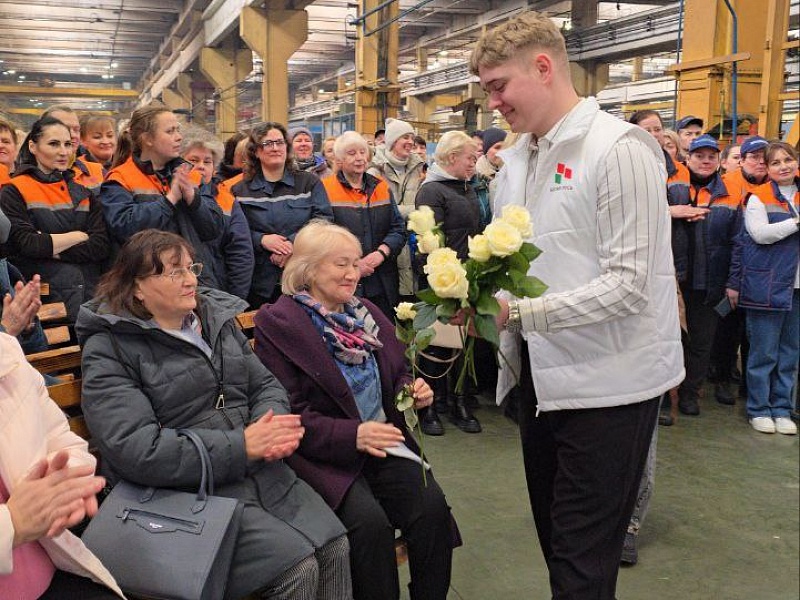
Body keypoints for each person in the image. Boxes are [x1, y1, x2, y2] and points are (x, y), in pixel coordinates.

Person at [470, 12, 684, 599]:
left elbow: (629, 285)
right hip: (541, 377)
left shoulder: (620, 150)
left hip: (610, 386)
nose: (493, 104)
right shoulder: (514, 163)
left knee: (583, 561)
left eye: (498, 87)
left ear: (543, 67)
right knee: (559, 545)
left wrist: (519, 315)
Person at [77, 229, 353, 600]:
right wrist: (243, 446)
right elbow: (137, 449)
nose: (191, 279)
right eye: (174, 271)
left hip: (256, 469)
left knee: (336, 546)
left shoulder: (214, 321)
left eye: (191, 267)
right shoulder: (110, 346)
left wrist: (265, 429)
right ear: (137, 287)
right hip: (185, 492)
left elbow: (266, 386)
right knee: (295, 570)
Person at [254, 220, 457, 600]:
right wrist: (354, 434)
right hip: (323, 455)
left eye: (354, 264)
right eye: (340, 264)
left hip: (380, 443)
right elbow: (286, 411)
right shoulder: (278, 322)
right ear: (309, 269)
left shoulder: (365, 313)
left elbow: (394, 374)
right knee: (370, 527)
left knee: (431, 509)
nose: (352, 274)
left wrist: (410, 391)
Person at [0, 331, 124, 599]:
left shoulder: (6, 355)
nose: (191, 285)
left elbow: (61, 440)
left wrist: (66, 483)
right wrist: (11, 525)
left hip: (50, 567)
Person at [0, 116, 111, 321]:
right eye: (53, 144)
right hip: (45, 303)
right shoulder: (13, 191)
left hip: (91, 298)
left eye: (68, 144)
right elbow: (28, 244)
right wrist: (79, 235)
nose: (63, 152)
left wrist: (51, 246)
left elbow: (100, 245)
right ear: (33, 146)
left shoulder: (84, 193)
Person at [100, 105, 224, 275]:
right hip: (145, 279)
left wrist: (193, 199)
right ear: (147, 139)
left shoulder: (190, 174)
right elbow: (125, 229)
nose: (179, 137)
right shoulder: (120, 178)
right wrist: (170, 199)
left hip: (193, 275)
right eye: (170, 131)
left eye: (178, 130)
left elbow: (214, 229)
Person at [728, 142, 799, 435]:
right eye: (775, 162)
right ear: (767, 169)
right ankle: (759, 408)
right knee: (764, 353)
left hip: (797, 289)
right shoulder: (758, 198)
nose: (783, 166)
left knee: (790, 352)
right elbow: (759, 235)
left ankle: (782, 408)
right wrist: (796, 223)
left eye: (788, 159)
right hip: (768, 287)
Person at [415, 130, 483, 435]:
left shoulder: (466, 186)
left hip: (467, 278)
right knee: (436, 346)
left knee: (463, 342)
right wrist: (443, 280)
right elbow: (427, 240)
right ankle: (428, 408)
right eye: (470, 157)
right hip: (440, 280)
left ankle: (457, 400)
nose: (474, 162)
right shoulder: (432, 191)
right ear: (453, 157)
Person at [667, 135, 739, 416]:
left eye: (711, 156)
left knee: (701, 343)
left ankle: (689, 395)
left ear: (719, 162)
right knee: (671, 340)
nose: (706, 161)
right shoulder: (674, 191)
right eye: (700, 156)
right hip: (676, 279)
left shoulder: (730, 195)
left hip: (710, 281)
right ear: (688, 159)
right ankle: (663, 397)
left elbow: (738, 241)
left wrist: (733, 281)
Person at [231, 122, 333, 307]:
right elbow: (233, 231)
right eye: (268, 143)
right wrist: (261, 240)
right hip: (259, 282)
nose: (275, 148)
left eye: (280, 142)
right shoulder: (240, 190)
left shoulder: (308, 183)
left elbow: (323, 219)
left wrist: (291, 244)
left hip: (304, 277)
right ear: (256, 151)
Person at [321, 131, 406, 319]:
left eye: (362, 152)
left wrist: (381, 253)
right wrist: (355, 264)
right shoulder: (325, 189)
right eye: (352, 153)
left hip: (382, 279)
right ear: (339, 160)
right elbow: (324, 237)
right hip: (344, 282)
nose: (359, 158)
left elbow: (398, 228)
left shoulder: (381, 187)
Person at [181, 125, 254, 300]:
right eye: (193, 160)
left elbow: (241, 253)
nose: (201, 167)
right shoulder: (170, 197)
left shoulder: (226, 200)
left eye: (207, 161)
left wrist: (235, 300)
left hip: (217, 294)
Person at [368, 118, 425, 298]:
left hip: (415, 241)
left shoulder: (418, 167)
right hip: (386, 242)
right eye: (405, 137)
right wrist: (415, 211)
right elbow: (380, 212)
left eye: (412, 138)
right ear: (392, 141)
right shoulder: (375, 171)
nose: (410, 142)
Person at [42, 105, 105, 192]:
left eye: (76, 130)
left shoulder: (98, 171)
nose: (73, 135)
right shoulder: (26, 179)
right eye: (65, 129)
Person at [473, 126, 507, 228]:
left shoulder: (508, 173)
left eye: (504, 147)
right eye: (497, 147)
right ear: (486, 150)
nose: (502, 151)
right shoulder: (475, 177)